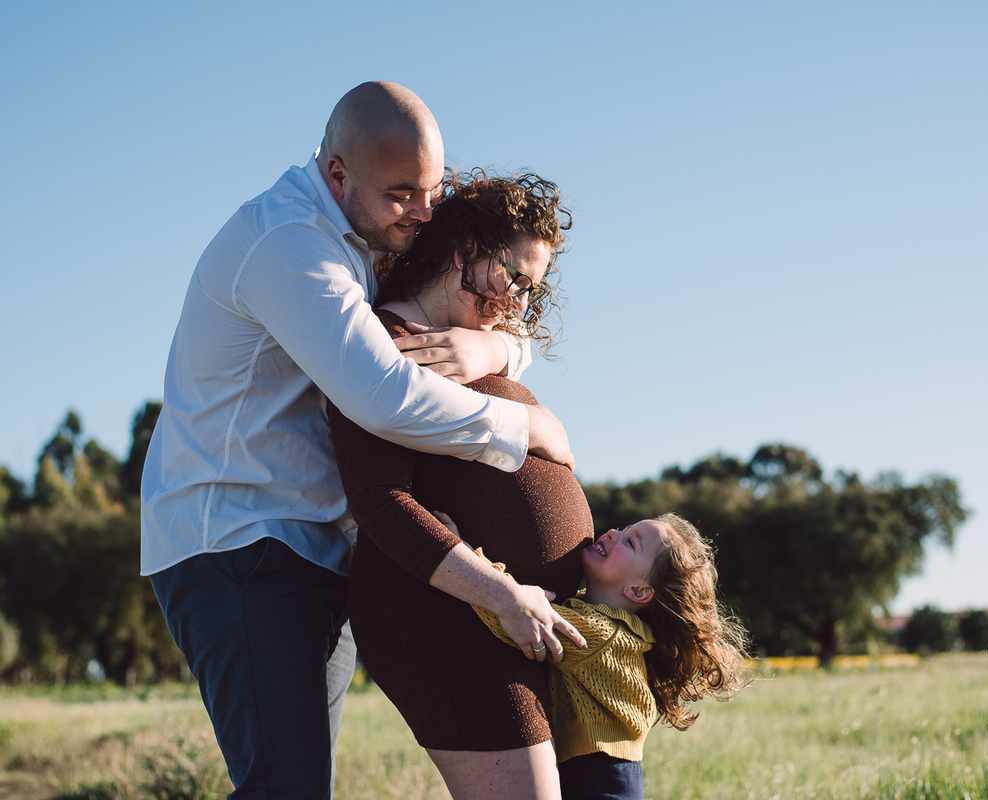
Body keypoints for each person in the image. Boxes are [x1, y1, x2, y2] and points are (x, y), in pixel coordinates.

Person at [140, 82, 575, 800]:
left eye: (433, 191)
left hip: (318, 545)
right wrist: (528, 428)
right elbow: (384, 398)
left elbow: (496, 297)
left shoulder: (380, 229)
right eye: (403, 195)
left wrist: (496, 350)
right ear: (338, 175)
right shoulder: (291, 244)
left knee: (300, 786)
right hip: (239, 539)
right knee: (285, 787)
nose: (424, 213)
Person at [329, 169, 593, 800]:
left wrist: (497, 355)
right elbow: (380, 500)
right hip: (443, 615)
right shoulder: (382, 346)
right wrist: (504, 595)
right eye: (516, 280)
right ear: (465, 251)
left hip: (507, 614)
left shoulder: (478, 340)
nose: (521, 304)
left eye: (534, 290)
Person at [461, 512, 751, 800]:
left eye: (631, 543)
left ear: (638, 591)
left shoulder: (602, 635)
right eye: (624, 528)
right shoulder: (612, 627)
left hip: (598, 784)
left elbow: (519, 617)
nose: (613, 532)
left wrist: (464, 555)